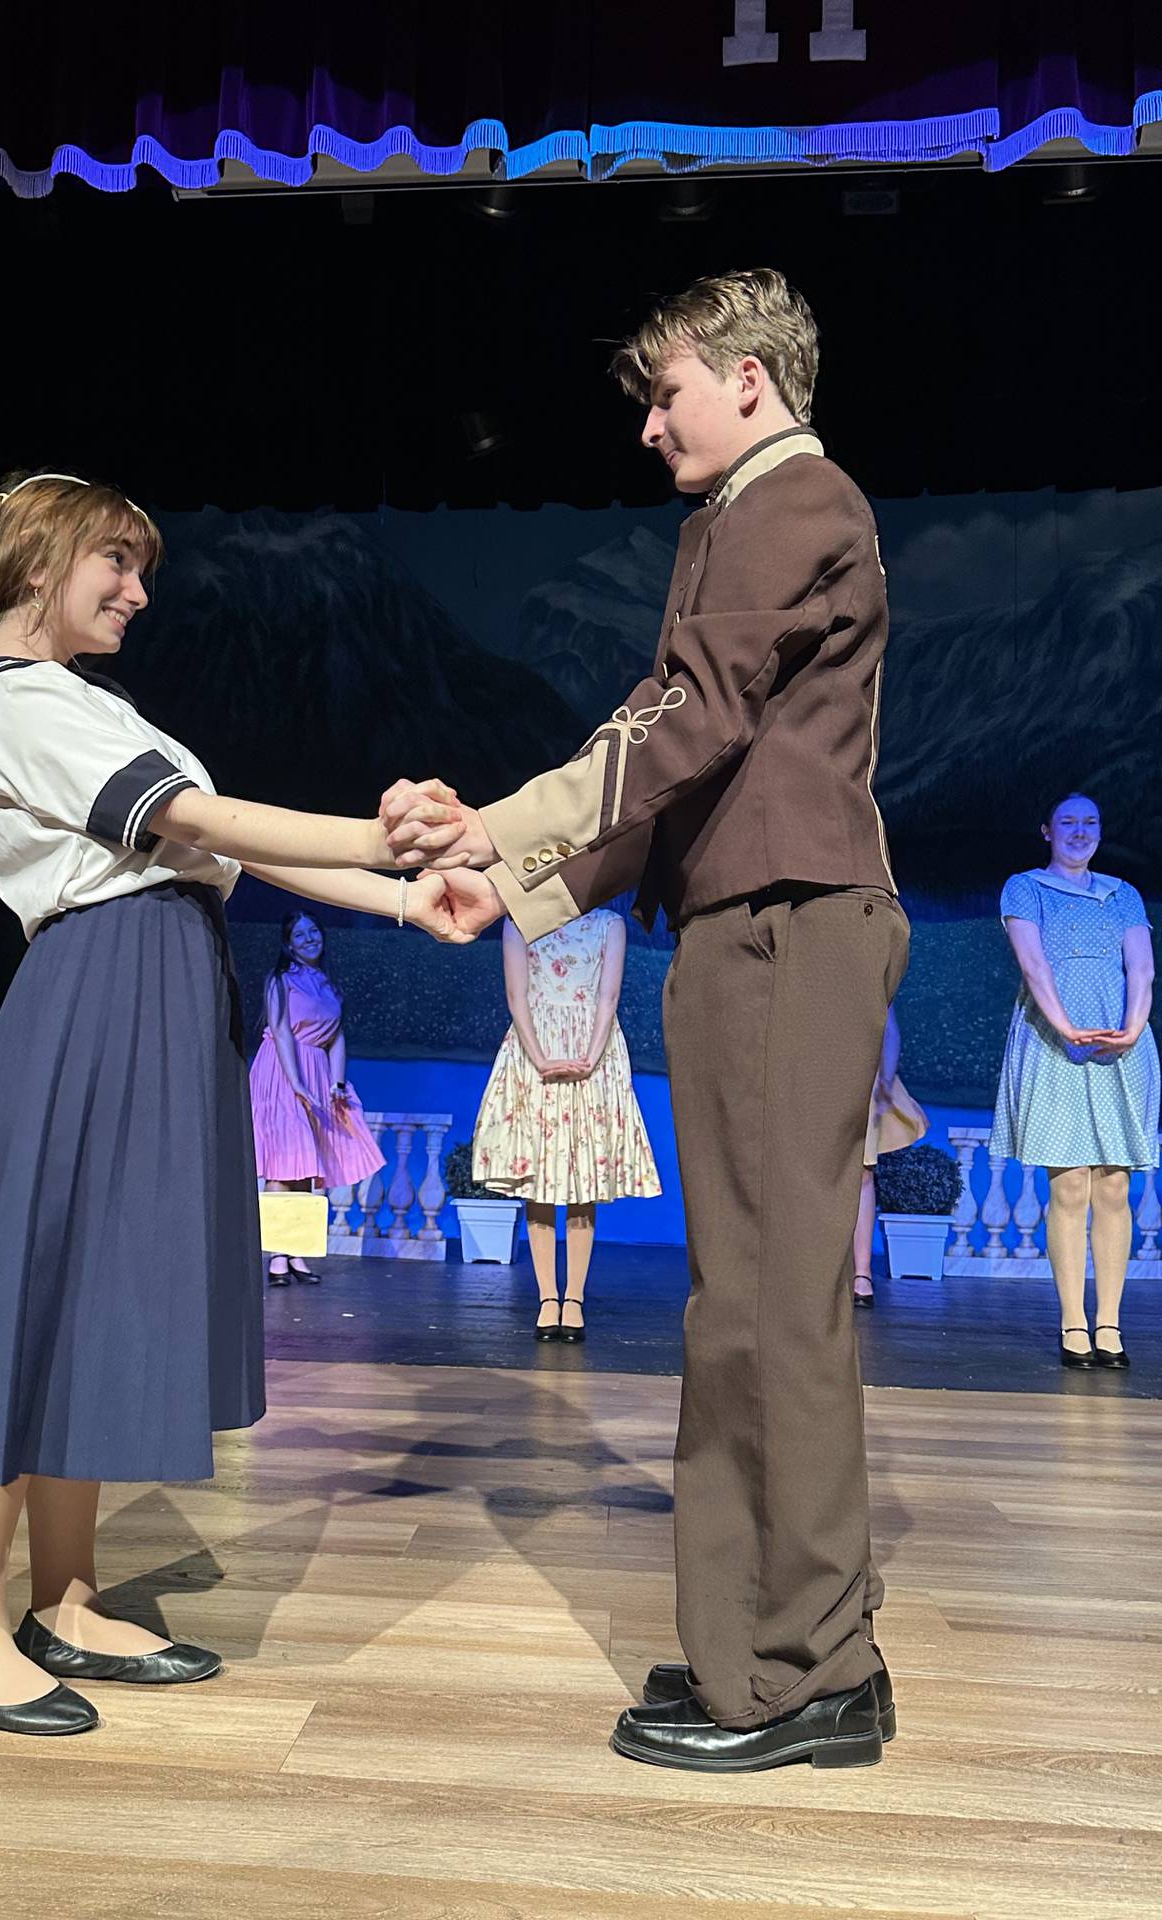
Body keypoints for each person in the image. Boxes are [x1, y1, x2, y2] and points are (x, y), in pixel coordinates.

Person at [386, 269, 908, 1772]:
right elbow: (681, 749)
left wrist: (490, 831)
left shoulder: (793, 501)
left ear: (747, 377)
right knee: (740, 1299)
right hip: (754, 920)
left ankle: (806, 1670)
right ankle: (765, 1653)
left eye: (666, 390)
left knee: (767, 1304)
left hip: (789, 925)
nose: (650, 423)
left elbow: (686, 717)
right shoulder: (743, 516)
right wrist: (523, 886)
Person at [0, 471, 469, 1738]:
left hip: (158, 987)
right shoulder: (17, 702)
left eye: (143, 570)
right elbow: (187, 816)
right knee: (33, 1289)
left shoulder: (90, 704)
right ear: (38, 563)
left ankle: (66, 1598)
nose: (138, 593)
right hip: (96, 993)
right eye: (116, 566)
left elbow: (221, 856)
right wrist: (376, 839)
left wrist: (409, 901)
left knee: (98, 1288)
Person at [991, 792, 1159, 1370]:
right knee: (1070, 1187)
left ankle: (1109, 1324)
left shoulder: (1122, 894)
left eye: (1091, 821)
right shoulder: (1025, 888)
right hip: (1054, 1039)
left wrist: (1134, 1027)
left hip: (1119, 1044)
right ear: (1047, 830)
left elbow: (1141, 965)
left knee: (1115, 1187)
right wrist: (1065, 1027)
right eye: (1069, 822)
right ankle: (1072, 1324)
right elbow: (1033, 963)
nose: (1080, 831)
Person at [472, 910, 660, 1340]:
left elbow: (607, 997)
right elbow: (517, 995)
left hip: (591, 1050)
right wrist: (540, 1060)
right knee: (537, 1177)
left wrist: (590, 1060)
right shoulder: (520, 922)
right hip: (535, 1047)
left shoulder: (609, 925)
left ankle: (573, 1297)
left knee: (582, 1180)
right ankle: (547, 1297)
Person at [251, 910, 385, 1284]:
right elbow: (280, 1032)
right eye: (300, 934)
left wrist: (337, 1083)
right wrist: (295, 1082)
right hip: (281, 1069)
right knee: (282, 1164)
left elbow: (336, 1036)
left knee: (306, 1166)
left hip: (316, 1068)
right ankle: (278, 1254)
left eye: (314, 931)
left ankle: (297, 1254)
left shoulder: (327, 983)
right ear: (288, 943)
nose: (309, 938)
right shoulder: (281, 980)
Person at [852, 1006, 928, 1307]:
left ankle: (862, 1273)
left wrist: (886, 1076)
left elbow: (889, 1027)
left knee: (862, 1171)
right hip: (811, 1075)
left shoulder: (870, 966)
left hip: (862, 1074)